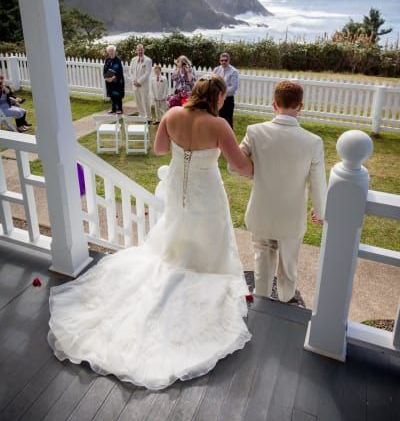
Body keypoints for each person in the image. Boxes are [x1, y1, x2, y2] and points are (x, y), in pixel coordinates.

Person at [47, 75, 253, 390]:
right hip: (207, 193)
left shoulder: (171, 115)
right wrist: (256, 167)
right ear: (217, 98)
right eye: (222, 98)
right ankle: (200, 273)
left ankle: (180, 268)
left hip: (177, 192)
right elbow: (239, 164)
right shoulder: (220, 125)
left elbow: (159, 150)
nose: (223, 103)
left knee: (175, 236)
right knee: (209, 239)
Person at [238, 80, 327, 303]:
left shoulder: (255, 132)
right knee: (289, 266)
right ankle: (287, 302)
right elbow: (318, 182)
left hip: (261, 212)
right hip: (292, 217)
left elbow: (234, 165)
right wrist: (320, 211)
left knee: (262, 261)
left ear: (273, 104)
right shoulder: (313, 142)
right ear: (300, 106)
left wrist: (257, 171)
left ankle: (263, 301)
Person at [213, 52, 239, 128]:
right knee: (217, 118)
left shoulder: (234, 71)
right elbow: (213, 82)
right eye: (222, 60)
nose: (223, 62)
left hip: (228, 99)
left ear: (229, 60)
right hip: (217, 99)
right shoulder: (216, 69)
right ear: (219, 60)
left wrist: (222, 93)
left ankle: (229, 137)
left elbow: (234, 87)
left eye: (225, 60)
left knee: (227, 120)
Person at [129, 44, 152, 120]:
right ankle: (142, 116)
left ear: (143, 50)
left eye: (141, 49)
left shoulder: (148, 60)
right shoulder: (133, 60)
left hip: (143, 85)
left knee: (145, 101)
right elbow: (131, 71)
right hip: (135, 85)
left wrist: (139, 82)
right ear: (136, 50)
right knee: (138, 101)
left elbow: (147, 73)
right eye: (138, 50)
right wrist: (134, 81)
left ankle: (148, 117)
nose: (140, 51)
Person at [103, 45, 124, 114]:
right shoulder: (107, 60)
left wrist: (112, 78)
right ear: (108, 52)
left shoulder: (118, 60)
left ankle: (119, 109)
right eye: (109, 51)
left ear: (114, 51)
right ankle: (113, 109)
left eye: (112, 51)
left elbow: (119, 71)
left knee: (117, 95)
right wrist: (106, 78)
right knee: (112, 95)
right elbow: (104, 70)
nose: (111, 52)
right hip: (109, 81)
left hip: (117, 81)